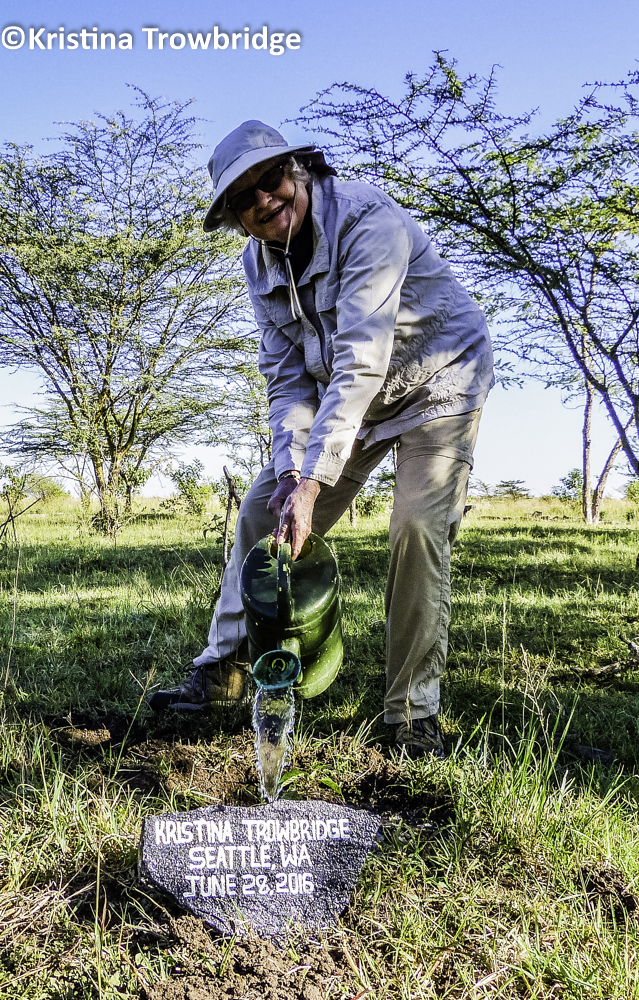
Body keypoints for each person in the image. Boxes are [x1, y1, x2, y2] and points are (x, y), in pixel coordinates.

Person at [149, 120, 494, 758]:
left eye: (271, 180)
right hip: (350, 397)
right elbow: (287, 379)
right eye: (245, 198)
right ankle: (225, 670)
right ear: (235, 217)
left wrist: (313, 482)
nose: (265, 200)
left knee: (417, 527)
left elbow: (362, 357)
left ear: (298, 170)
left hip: (438, 379)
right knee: (262, 511)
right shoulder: (259, 262)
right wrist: (290, 476)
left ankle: (411, 714)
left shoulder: (368, 221)